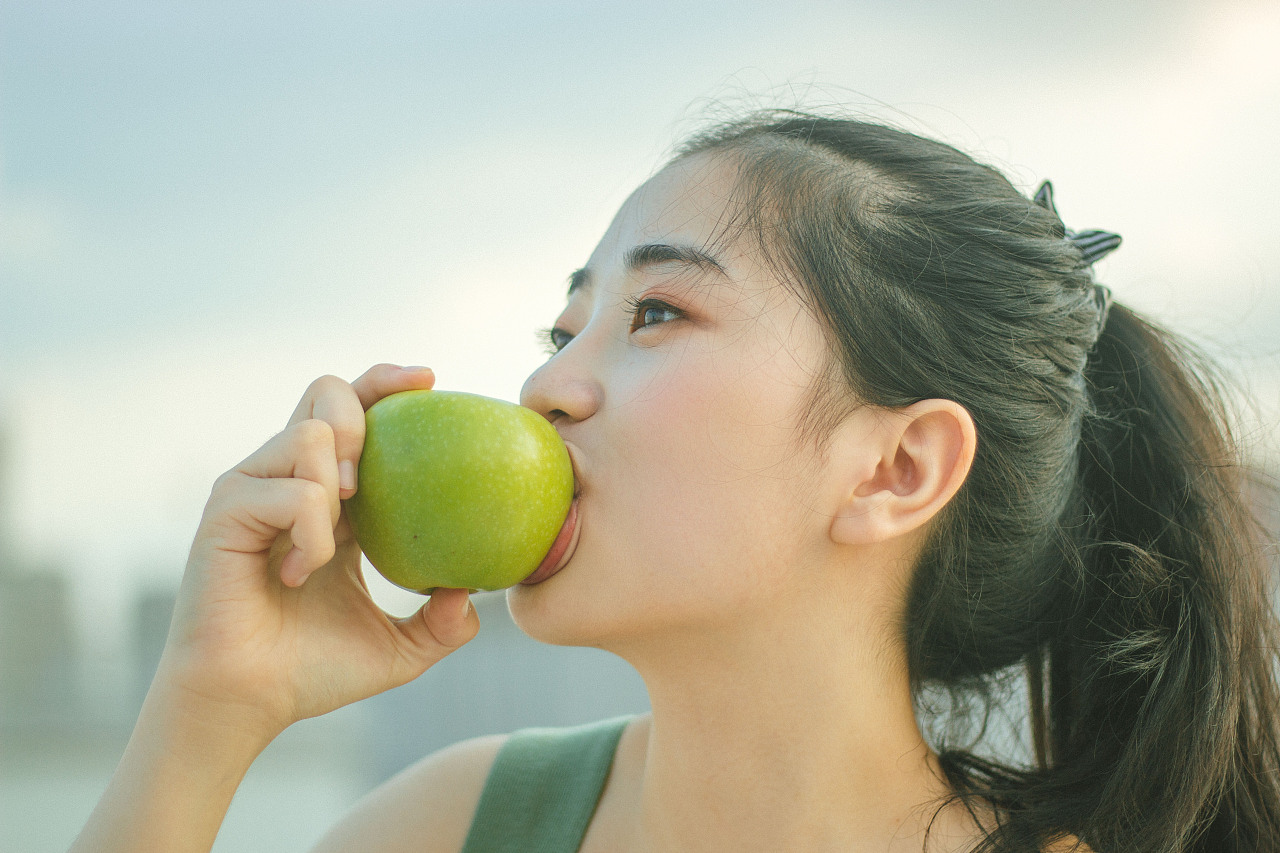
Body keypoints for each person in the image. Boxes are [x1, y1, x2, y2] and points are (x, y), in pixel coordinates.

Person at [70, 110, 1280, 853]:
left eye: (655, 312)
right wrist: (207, 713)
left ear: (896, 467)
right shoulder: (460, 827)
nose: (544, 391)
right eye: (563, 327)